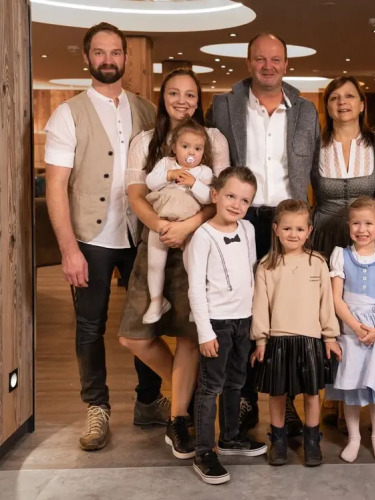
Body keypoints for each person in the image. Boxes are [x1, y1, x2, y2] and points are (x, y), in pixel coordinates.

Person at [44, 22, 163, 451]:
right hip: (90, 239)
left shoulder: (148, 110)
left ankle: (149, 401)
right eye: (99, 52)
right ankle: (96, 408)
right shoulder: (68, 113)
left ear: (126, 58)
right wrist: (68, 250)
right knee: (89, 326)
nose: (108, 60)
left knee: (147, 320)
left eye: (115, 52)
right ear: (87, 57)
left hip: (139, 234)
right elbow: (56, 186)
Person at [207, 32, 320, 436]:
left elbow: (315, 168)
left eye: (275, 60)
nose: (268, 66)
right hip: (242, 218)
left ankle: (283, 399)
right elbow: (210, 163)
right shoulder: (224, 106)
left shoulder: (305, 110)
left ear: (286, 64)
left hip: (289, 220)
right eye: (260, 59)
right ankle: (245, 399)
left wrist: (313, 223)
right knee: (244, 310)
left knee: (286, 309)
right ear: (248, 62)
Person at [118, 68, 230, 460]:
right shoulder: (145, 141)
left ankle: (179, 418)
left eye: (190, 94)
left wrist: (186, 226)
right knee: (133, 336)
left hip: (197, 245)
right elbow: (136, 194)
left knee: (187, 336)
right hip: (156, 241)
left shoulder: (213, 139)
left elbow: (219, 196)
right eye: (173, 93)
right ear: (162, 97)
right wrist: (163, 227)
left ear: (199, 100)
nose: (182, 101)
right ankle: (192, 392)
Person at [185, 166, 267, 485]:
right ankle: (204, 451)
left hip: (243, 320)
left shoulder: (247, 229)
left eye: (245, 200)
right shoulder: (202, 237)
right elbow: (195, 288)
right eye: (231, 196)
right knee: (211, 387)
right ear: (215, 195)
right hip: (216, 323)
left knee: (236, 381)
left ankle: (231, 437)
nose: (236, 204)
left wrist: (255, 322)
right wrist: (205, 332)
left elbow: (251, 272)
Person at [250, 199, 342, 467]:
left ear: (309, 231)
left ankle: (312, 441)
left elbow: (326, 303)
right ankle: (278, 440)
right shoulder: (266, 265)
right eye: (287, 228)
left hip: (310, 339)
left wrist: (330, 337)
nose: (293, 234)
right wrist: (260, 340)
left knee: (312, 394)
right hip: (277, 340)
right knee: (277, 393)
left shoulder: (318, 263)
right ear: (276, 229)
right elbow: (260, 306)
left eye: (300, 229)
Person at [325, 196, 375, 463]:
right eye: (356, 223)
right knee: (352, 386)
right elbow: (336, 299)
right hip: (351, 329)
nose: (362, 229)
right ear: (348, 225)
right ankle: (354, 437)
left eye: (368, 223)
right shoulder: (341, 255)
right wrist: (356, 327)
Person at [142, 119, 214, 324]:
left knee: (193, 265)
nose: (191, 152)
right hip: (163, 221)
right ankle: (157, 301)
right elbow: (150, 183)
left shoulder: (203, 172)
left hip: (191, 226)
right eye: (185, 146)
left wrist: (194, 183)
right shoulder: (166, 164)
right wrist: (169, 175)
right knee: (155, 262)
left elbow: (209, 198)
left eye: (197, 148)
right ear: (174, 147)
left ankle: (197, 305)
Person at [311, 76, 375, 259]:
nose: (342, 102)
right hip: (323, 236)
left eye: (349, 96)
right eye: (334, 98)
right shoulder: (314, 145)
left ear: (362, 105)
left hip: (367, 238)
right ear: (327, 107)